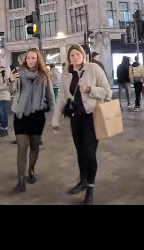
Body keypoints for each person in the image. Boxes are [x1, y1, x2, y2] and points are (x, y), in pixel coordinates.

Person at [52, 44, 111, 205]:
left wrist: (90, 89)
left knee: (89, 154)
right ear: (69, 58)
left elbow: (107, 91)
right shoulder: (66, 74)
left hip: (92, 117)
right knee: (80, 152)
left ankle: (90, 188)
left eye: (78, 54)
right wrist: (55, 122)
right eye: (72, 55)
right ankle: (83, 180)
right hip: (76, 119)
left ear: (83, 55)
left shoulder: (94, 68)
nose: (75, 57)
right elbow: (62, 99)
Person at [9, 48, 55, 193]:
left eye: (33, 58)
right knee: (22, 147)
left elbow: (51, 98)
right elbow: (11, 91)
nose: (30, 60)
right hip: (21, 115)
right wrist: (10, 80)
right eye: (28, 58)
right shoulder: (18, 73)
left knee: (35, 146)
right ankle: (21, 180)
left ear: (38, 59)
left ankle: (31, 170)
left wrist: (48, 110)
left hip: (37, 115)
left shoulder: (44, 76)